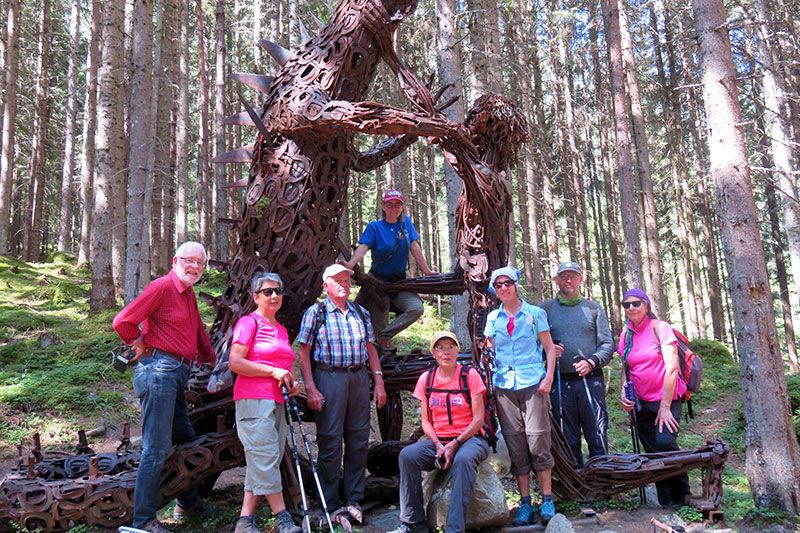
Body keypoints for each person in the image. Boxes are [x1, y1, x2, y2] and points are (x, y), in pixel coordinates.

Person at [112, 241, 216, 533]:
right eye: (189, 260)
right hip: (158, 370)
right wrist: (138, 343)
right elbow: (122, 321)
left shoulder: (188, 294)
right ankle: (142, 522)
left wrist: (213, 361)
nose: (195, 266)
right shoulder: (162, 287)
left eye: (200, 262)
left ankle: (188, 502)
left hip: (177, 372)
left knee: (185, 438)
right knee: (156, 448)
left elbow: (197, 332)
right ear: (175, 261)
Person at [296, 264, 388, 521]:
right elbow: (303, 354)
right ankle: (330, 501)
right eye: (337, 280)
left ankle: (354, 499)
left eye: (347, 280)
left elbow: (371, 349)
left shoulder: (360, 312)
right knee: (330, 440)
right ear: (325, 285)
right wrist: (311, 388)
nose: (344, 285)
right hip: (328, 377)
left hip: (358, 378)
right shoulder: (317, 312)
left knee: (359, 440)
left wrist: (378, 381)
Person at [391, 331, 491, 533]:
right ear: (434, 353)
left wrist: (455, 443)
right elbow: (426, 422)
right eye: (440, 348)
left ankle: (454, 529)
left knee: (463, 460)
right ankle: (413, 524)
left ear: (457, 350)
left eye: (451, 347)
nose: (446, 352)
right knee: (407, 456)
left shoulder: (469, 376)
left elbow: (478, 419)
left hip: (471, 439)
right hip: (439, 442)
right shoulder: (427, 379)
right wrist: (438, 444)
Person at [228, 273, 302, 533]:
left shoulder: (280, 329)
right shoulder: (249, 323)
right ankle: (282, 517)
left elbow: (283, 366)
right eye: (267, 291)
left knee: (265, 458)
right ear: (255, 297)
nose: (274, 296)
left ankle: (245, 521)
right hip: (253, 399)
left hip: (277, 400)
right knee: (266, 457)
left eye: (277, 291)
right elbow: (235, 362)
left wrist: (292, 383)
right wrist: (272, 372)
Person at [483, 266, 557, 526]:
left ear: (516, 285)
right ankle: (525, 503)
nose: (503, 288)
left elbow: (549, 349)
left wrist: (547, 378)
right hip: (504, 387)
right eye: (499, 284)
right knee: (515, 443)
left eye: (508, 283)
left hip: (533, 384)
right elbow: (490, 354)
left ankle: (547, 499)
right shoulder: (493, 318)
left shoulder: (535, 314)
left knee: (538, 440)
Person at [618, 288, 691, 507]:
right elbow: (626, 367)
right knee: (651, 451)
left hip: (667, 398)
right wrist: (624, 391)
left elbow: (672, 368)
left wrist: (665, 407)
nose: (631, 308)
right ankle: (666, 500)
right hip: (641, 402)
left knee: (665, 443)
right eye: (626, 305)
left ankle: (683, 493)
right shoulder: (626, 335)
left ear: (646, 306)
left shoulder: (661, 328)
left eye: (636, 303)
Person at [344, 188, 436, 349]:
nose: (393, 208)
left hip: (399, 281)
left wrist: (427, 271)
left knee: (416, 308)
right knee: (380, 316)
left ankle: (385, 335)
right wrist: (350, 266)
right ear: (383, 206)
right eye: (390, 204)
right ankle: (382, 360)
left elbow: (414, 246)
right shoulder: (375, 227)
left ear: (402, 207)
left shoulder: (406, 223)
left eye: (397, 204)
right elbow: (363, 247)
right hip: (377, 282)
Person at [544, 261, 613, 468]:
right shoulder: (546, 309)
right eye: (563, 276)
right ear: (556, 280)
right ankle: (576, 484)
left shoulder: (593, 308)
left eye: (573, 276)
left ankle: (602, 480)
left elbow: (607, 345)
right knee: (568, 435)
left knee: (597, 431)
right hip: (559, 382)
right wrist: (548, 351)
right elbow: (536, 343)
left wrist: (592, 362)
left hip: (591, 380)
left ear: (580, 280)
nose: (568, 280)